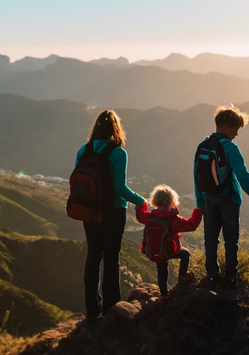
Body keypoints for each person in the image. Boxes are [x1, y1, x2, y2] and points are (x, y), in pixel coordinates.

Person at [75, 109, 146, 321]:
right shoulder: (118, 153)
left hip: (89, 212)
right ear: (116, 129)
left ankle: (91, 308)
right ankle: (110, 308)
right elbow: (119, 187)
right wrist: (141, 201)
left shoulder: (83, 150)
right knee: (111, 258)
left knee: (93, 256)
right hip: (113, 211)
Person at [194, 105, 249, 287]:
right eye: (235, 129)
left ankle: (211, 275)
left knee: (210, 239)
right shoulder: (230, 148)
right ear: (226, 127)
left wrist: (199, 202)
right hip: (229, 199)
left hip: (209, 198)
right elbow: (243, 176)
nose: (236, 134)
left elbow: (196, 175)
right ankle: (231, 277)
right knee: (231, 241)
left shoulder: (202, 146)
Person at [135, 184, 203, 301]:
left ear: (155, 201)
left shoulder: (150, 217)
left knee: (162, 270)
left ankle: (163, 295)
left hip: (156, 251)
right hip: (172, 250)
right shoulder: (174, 219)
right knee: (186, 254)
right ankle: (182, 275)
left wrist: (141, 204)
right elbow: (191, 225)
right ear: (172, 202)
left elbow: (140, 216)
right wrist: (199, 211)